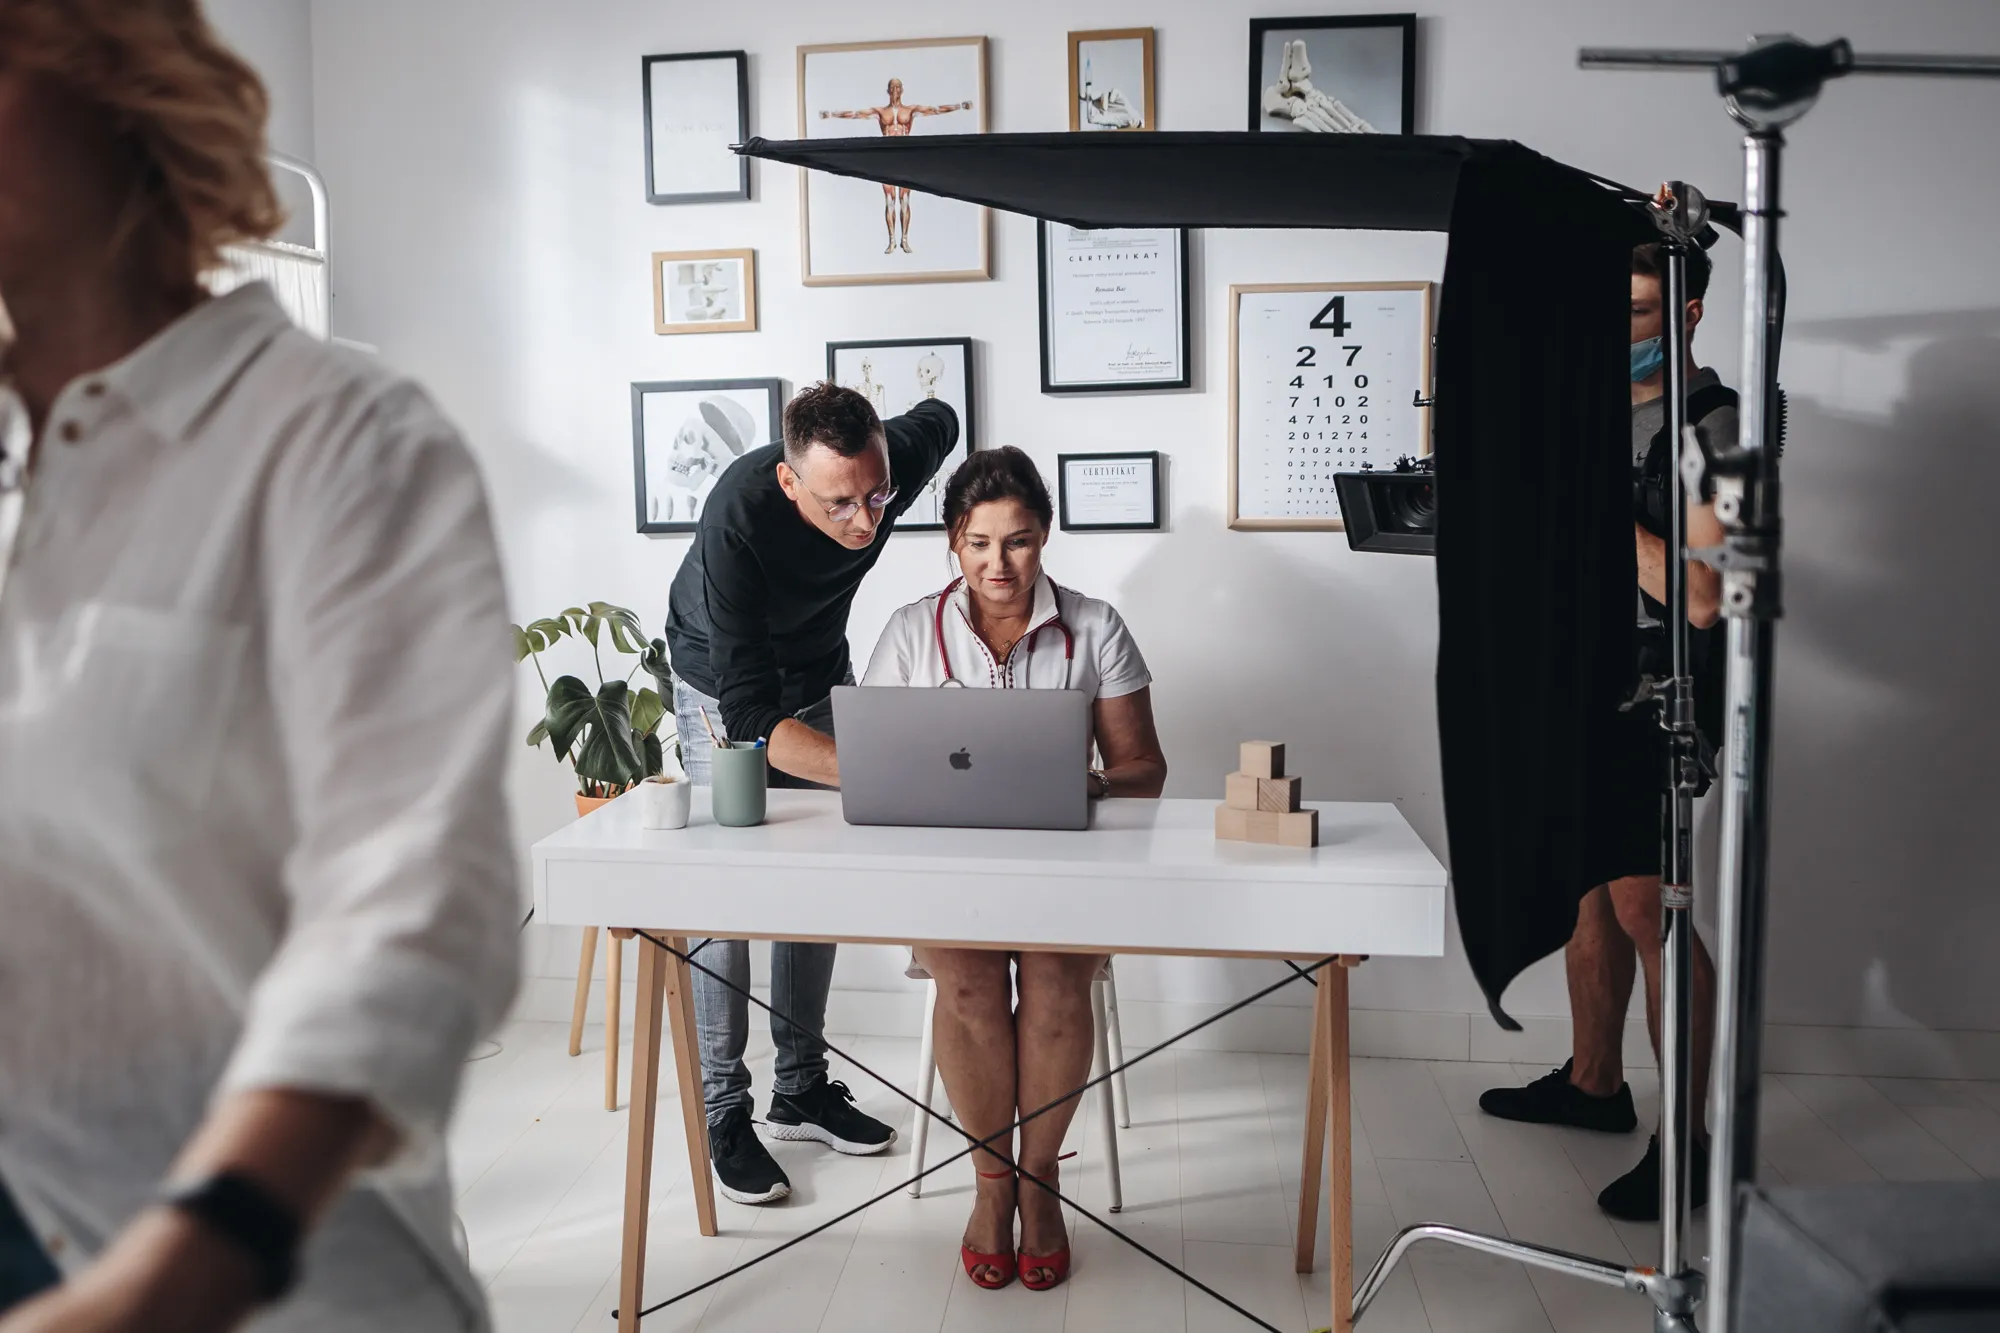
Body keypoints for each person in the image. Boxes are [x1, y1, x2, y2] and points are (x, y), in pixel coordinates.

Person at [0, 4, 519, 1331]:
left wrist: (186, 1267)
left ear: (122, 79)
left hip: (245, 1279)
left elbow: (411, 895)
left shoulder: (338, 442)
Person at [861, 447, 1168, 1290]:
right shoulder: (907, 632)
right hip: (947, 866)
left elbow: (1145, 767)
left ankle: (1040, 1183)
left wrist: (1093, 779)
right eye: (980, 543)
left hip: (1068, 862)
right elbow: (880, 766)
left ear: (1046, 537)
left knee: (1059, 981)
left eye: (1021, 541)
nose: (1001, 564)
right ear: (953, 544)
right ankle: (991, 1187)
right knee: (965, 983)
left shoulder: (1096, 626)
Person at [1479, 237, 1731, 1223]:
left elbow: (1704, 597)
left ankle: (1691, 1141)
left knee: (1647, 907)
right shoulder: (1591, 412)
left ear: (1687, 312)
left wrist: (1593, 518)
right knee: (1587, 886)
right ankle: (1593, 1085)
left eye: (1631, 313)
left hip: (1655, 684)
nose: (1611, 334)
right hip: (1576, 673)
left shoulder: (1714, 427)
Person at [664, 381, 958, 1204]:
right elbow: (751, 710)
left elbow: (945, 416)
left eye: (877, 495)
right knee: (730, 891)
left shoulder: (895, 451)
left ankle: (801, 1086)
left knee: (819, 870)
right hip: (720, 683)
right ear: (791, 483)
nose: (866, 522)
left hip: (821, 667)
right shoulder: (738, 520)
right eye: (840, 504)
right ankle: (725, 1111)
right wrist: (889, 770)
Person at [819, 79, 973, 253]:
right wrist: (832, 114)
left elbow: (935, 110)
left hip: (905, 158)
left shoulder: (910, 110)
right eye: (892, 87)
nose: (895, 90)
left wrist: (959, 106)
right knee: (890, 201)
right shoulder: (880, 112)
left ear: (902, 90)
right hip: (887, 158)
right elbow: (856, 114)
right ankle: (892, 240)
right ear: (888, 90)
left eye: (898, 87)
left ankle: (904, 240)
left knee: (905, 200)